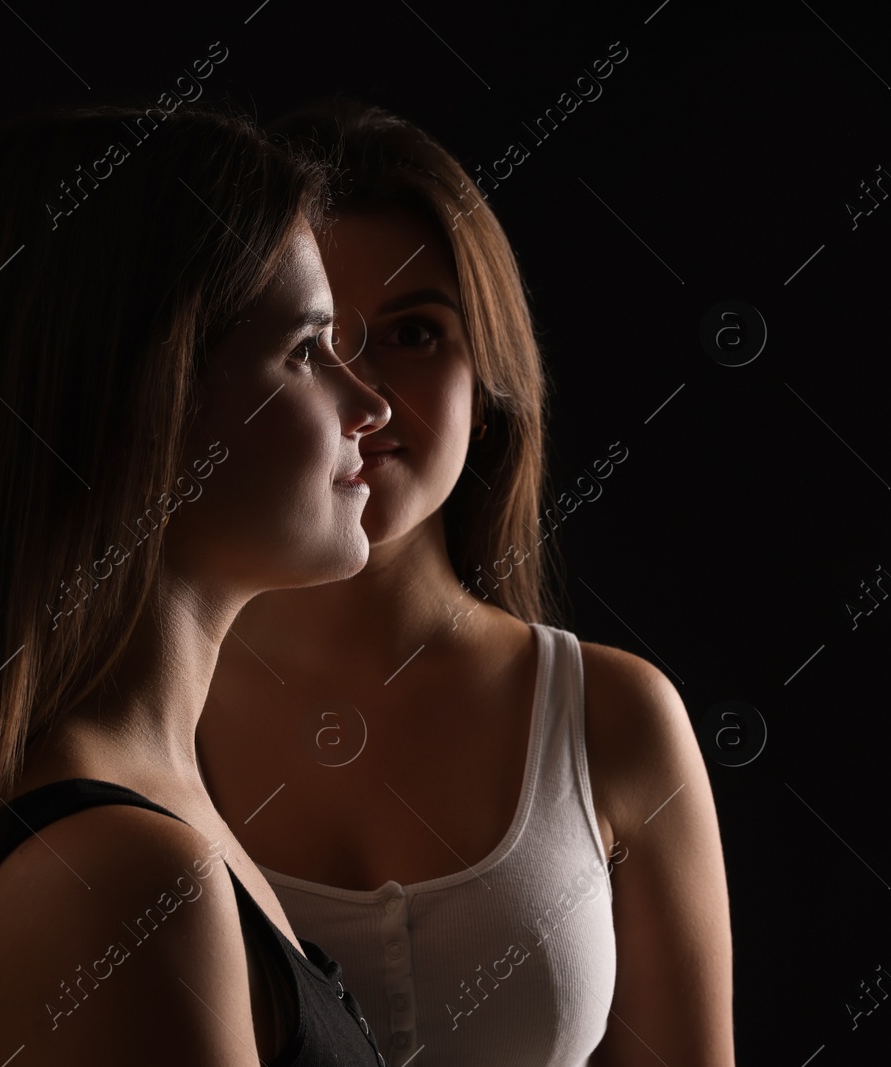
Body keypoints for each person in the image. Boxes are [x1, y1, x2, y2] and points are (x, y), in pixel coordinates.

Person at [0, 103, 394, 1066]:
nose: (370, 404)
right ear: (151, 393)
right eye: (307, 351)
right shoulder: (124, 878)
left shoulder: (152, 822)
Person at [194, 100, 736, 1066]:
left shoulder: (614, 718)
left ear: (490, 379)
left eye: (412, 334)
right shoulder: (134, 711)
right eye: (313, 342)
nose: (361, 397)